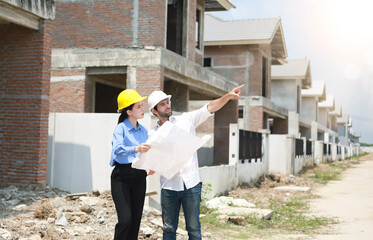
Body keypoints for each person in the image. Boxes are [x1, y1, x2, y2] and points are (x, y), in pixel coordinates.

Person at [147, 84, 244, 240]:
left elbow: (209, 108)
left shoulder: (185, 120)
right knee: (169, 229)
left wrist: (227, 96)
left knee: (193, 228)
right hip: (169, 186)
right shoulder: (152, 134)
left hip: (191, 184)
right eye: (162, 104)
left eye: (167, 102)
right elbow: (152, 160)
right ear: (154, 111)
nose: (167, 106)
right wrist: (150, 167)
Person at [110, 89, 154, 240]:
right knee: (125, 220)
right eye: (138, 107)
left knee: (135, 221)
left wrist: (151, 165)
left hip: (139, 176)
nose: (143, 109)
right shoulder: (120, 129)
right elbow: (117, 149)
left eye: (142, 106)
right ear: (129, 111)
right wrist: (136, 148)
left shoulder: (143, 130)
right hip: (121, 176)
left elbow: (147, 152)